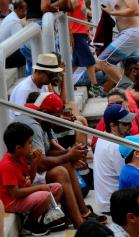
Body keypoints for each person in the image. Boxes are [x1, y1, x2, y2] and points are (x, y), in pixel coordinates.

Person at [14, 92, 105, 228]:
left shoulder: (40, 119)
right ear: (45, 112)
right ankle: (79, 222)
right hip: (27, 175)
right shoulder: (34, 125)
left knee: (67, 162)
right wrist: (68, 155)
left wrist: (70, 153)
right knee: (60, 171)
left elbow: (48, 151)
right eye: (56, 117)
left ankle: (83, 213)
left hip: (33, 170)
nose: (58, 121)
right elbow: (40, 164)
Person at [0, 122, 64, 235]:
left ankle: (42, 221)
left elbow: (29, 179)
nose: (32, 146)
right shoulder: (7, 165)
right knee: (45, 195)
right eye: (29, 143)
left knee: (57, 188)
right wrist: (39, 188)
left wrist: (35, 163)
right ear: (18, 148)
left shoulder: (20, 157)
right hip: (11, 201)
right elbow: (15, 193)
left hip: (22, 195)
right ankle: (29, 226)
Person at [94, 103, 136, 213]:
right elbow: (128, 179)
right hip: (114, 204)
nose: (131, 126)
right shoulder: (116, 147)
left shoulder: (103, 137)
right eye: (126, 123)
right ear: (113, 126)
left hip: (106, 201)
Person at [69, 0, 104, 97]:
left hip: (82, 33)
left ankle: (65, 82)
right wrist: (70, 36)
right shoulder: (74, 0)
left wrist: (87, 32)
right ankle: (94, 86)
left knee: (75, 63)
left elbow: (82, 16)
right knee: (90, 61)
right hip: (77, 35)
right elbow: (67, 19)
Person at [9, 53, 62, 120]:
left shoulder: (43, 84)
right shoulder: (25, 90)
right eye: (51, 75)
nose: (53, 78)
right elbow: (21, 118)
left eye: (55, 74)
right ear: (39, 72)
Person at [0, 0, 26, 68]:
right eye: (26, 9)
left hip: (4, 54)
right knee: (27, 51)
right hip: (5, 58)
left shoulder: (11, 16)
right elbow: (22, 45)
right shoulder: (15, 21)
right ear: (19, 9)